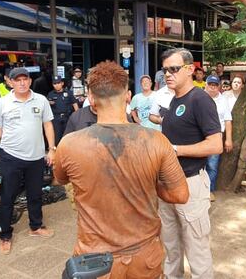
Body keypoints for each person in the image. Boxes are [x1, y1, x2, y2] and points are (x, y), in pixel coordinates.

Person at [53, 61, 189, 279]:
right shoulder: (157, 141)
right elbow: (180, 194)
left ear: (92, 100)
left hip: (95, 258)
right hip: (145, 254)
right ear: (127, 96)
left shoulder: (69, 144)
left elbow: (60, 179)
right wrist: (150, 182)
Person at [157, 48, 222, 279]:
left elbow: (216, 145)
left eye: (173, 69)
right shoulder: (174, 100)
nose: (168, 74)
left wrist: (176, 150)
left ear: (190, 70)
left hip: (191, 184)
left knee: (197, 250)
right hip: (167, 186)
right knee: (171, 248)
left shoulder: (201, 100)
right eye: (165, 70)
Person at [0, 67, 56, 255]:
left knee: (35, 195)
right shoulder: (1, 103)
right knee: (7, 197)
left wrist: (52, 149)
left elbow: (47, 124)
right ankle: (5, 235)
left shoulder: (41, 100)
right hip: (10, 157)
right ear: (10, 82)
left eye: (25, 79)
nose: (22, 83)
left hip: (36, 157)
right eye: (18, 80)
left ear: (30, 81)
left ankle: (36, 226)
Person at [204, 75, 233, 201]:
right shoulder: (199, 98)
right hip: (199, 136)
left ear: (219, 87)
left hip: (216, 136)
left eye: (215, 85)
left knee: (212, 165)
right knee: (197, 164)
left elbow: (228, 120)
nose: (212, 88)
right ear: (206, 85)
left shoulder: (223, 100)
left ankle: (209, 191)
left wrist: (228, 139)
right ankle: (198, 191)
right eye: (210, 85)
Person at [47, 75, 78, 145]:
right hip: (56, 119)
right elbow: (46, 107)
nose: (57, 85)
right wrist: (48, 103)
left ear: (62, 83)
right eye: (55, 84)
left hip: (67, 118)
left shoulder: (68, 93)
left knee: (68, 137)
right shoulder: (50, 94)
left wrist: (77, 116)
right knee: (57, 138)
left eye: (58, 83)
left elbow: (75, 104)